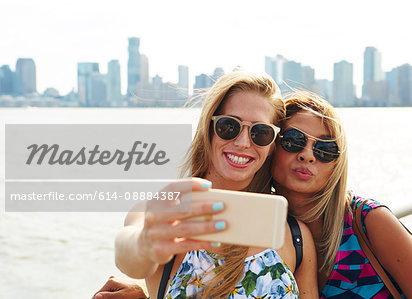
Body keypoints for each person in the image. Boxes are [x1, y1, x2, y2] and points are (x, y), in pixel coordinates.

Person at [110, 71, 318, 299]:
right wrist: (145, 243)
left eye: (261, 133)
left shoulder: (295, 236)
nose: (242, 143)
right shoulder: (164, 213)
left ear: (271, 146)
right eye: (229, 126)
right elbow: (128, 254)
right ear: (208, 129)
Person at [271, 91, 412, 298]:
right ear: (270, 144)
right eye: (294, 140)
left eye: (325, 149)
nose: (307, 155)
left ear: (337, 164)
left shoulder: (368, 219)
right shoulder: (261, 226)